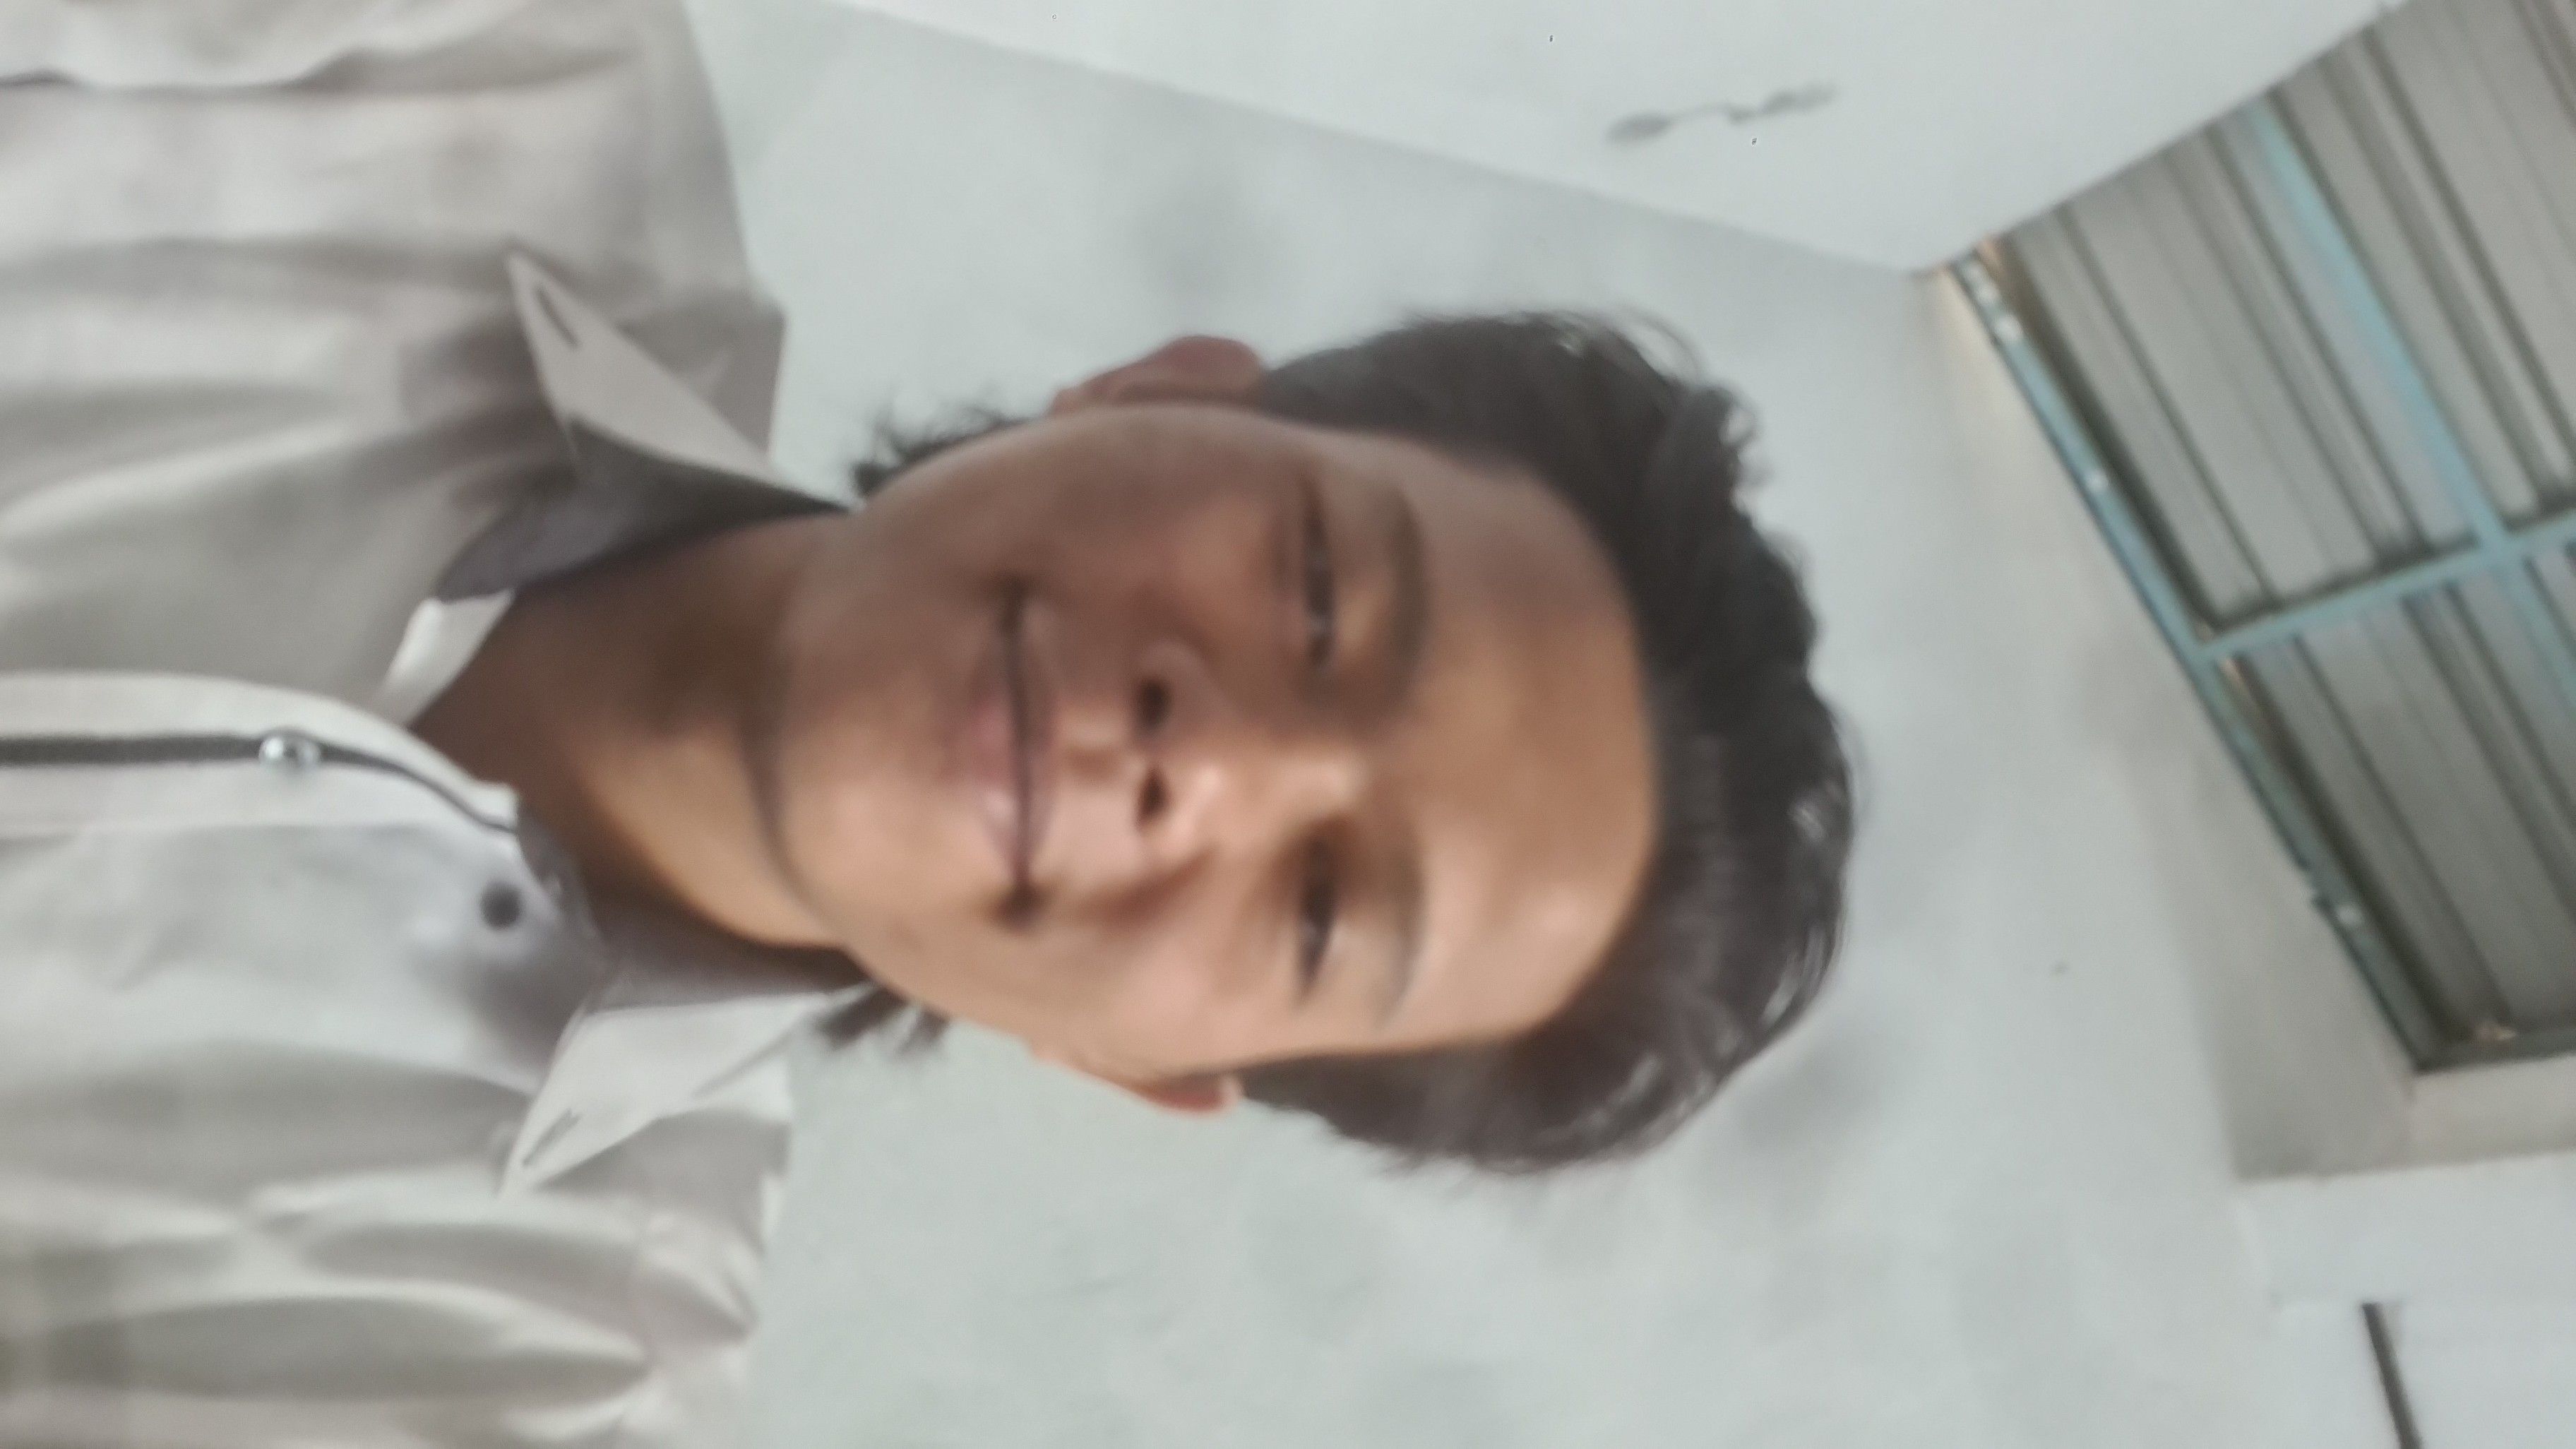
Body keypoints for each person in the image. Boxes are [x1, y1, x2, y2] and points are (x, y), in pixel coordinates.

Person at [0, 0, 1850, 1443]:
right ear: (1157, 386)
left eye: (1315, 906)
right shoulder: (476, 67)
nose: (1207, 760)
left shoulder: (514, 1385)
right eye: (1313, 596)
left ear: (1140, 1066)